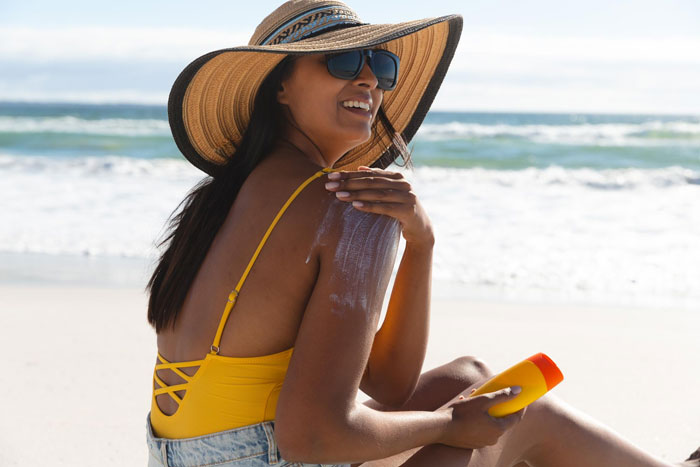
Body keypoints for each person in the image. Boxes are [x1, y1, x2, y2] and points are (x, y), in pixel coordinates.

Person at [145, 1, 700, 466]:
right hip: (271, 455)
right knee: (518, 415)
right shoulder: (347, 208)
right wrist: (448, 426)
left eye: (378, 66)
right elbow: (313, 436)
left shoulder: (231, 196)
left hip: (187, 456)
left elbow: (387, 383)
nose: (367, 78)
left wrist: (421, 242)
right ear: (280, 86)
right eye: (341, 60)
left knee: (473, 376)